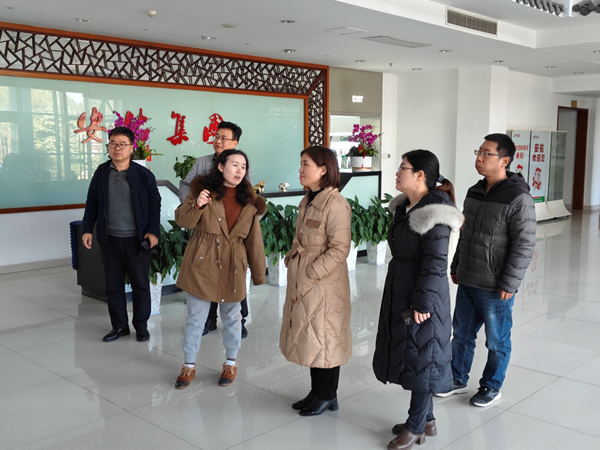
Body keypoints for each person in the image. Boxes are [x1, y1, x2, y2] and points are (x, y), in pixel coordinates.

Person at [435, 133, 536, 407]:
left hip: (495, 286)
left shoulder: (518, 197)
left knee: (497, 341)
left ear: (504, 160)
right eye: (478, 152)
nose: (479, 158)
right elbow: (466, 235)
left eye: (486, 153)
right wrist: (457, 265)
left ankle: (492, 386)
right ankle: (457, 379)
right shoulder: (474, 191)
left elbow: (524, 244)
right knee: (461, 335)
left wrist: (509, 283)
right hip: (469, 279)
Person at [372, 150, 463, 450]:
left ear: (420, 175)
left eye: (403, 168)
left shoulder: (435, 212)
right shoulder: (406, 207)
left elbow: (435, 263)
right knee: (415, 352)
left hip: (425, 293)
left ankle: (415, 427)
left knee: (425, 357)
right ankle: (428, 420)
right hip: (403, 286)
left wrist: (423, 303)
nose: (397, 173)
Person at [173, 149, 266, 389]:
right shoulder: (202, 192)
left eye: (243, 167)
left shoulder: (250, 201)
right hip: (202, 263)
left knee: (233, 318)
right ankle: (188, 365)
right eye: (234, 165)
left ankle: (231, 362)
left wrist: (258, 274)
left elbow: (254, 240)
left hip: (233, 265)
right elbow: (183, 221)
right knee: (196, 318)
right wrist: (197, 206)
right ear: (221, 167)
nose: (239, 170)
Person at [279, 146, 352, 417]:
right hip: (306, 277)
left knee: (326, 335)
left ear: (323, 169)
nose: (300, 169)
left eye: (305, 164)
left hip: (324, 282)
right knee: (311, 335)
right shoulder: (309, 199)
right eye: (301, 163)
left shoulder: (335, 203)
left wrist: (310, 273)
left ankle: (327, 395)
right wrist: (293, 258)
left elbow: (339, 249)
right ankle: (316, 391)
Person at [82, 126, 161, 343]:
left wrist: (153, 231)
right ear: (108, 147)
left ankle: (141, 326)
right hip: (109, 239)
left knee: (140, 284)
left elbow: (155, 203)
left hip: (137, 239)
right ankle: (119, 326)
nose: (117, 148)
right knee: (113, 285)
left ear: (132, 148)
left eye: (122, 144)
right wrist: (87, 229)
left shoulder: (143, 175)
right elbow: (92, 202)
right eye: (113, 144)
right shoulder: (101, 172)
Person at [179, 121, 252, 339]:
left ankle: (241, 320)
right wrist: (193, 206)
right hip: (206, 231)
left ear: (235, 142)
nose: (218, 141)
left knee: (233, 277)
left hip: (230, 232)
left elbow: (247, 194)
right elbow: (185, 185)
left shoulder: (240, 164)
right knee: (206, 277)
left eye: (224, 138)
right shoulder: (202, 162)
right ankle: (208, 320)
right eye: (216, 136)